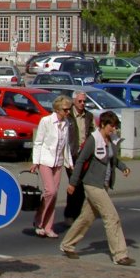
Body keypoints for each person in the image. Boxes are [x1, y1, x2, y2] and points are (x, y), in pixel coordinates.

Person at [60, 111, 134, 265]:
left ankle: (67, 245)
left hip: (104, 185)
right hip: (92, 185)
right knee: (111, 217)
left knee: (86, 218)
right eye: (111, 126)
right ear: (102, 125)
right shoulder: (93, 140)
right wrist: (73, 183)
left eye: (115, 126)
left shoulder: (111, 140)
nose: (113, 129)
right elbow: (80, 161)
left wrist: (123, 167)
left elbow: (113, 159)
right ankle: (120, 254)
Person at [30, 94, 73, 237]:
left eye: (69, 109)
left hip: (58, 162)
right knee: (50, 191)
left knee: (54, 196)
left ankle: (48, 227)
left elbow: (65, 145)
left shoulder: (66, 123)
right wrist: (35, 162)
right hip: (45, 161)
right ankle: (39, 220)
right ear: (58, 109)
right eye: (66, 110)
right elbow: (38, 142)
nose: (68, 112)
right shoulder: (46, 121)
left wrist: (69, 163)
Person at [64, 90, 91, 223]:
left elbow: (91, 132)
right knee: (74, 183)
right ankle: (70, 214)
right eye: (80, 101)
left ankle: (76, 214)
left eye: (84, 101)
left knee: (80, 186)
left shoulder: (88, 116)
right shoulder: (68, 116)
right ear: (74, 101)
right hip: (71, 155)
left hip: (84, 155)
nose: (82, 104)